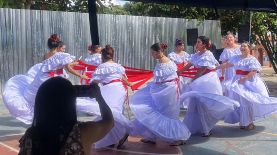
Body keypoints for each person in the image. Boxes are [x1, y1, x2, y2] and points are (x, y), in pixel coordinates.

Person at [3, 34, 88, 124]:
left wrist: (71, 64)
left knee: (42, 99)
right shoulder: (62, 55)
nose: (64, 50)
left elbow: (50, 66)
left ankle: (44, 118)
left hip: (43, 79)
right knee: (62, 98)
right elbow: (68, 69)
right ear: (58, 46)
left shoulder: (46, 55)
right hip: (55, 79)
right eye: (63, 48)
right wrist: (81, 76)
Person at [18, 77, 114, 155]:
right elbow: (109, 121)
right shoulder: (81, 132)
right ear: (69, 103)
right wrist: (99, 97)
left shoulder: (30, 136)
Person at [130, 43, 191, 146]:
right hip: (162, 91)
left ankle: (177, 138)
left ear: (159, 52)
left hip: (167, 92)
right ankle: (151, 136)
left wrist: (155, 87)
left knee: (168, 114)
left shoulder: (166, 63)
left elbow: (167, 79)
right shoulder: (162, 62)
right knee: (155, 111)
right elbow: (160, 79)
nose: (152, 55)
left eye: (153, 52)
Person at [178, 36, 239, 137]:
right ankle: (194, 126)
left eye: (198, 42)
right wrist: (179, 71)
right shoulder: (197, 54)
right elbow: (189, 64)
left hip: (207, 80)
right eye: (196, 42)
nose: (196, 44)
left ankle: (206, 128)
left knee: (204, 104)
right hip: (200, 80)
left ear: (204, 45)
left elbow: (202, 70)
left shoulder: (208, 54)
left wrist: (192, 80)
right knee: (195, 104)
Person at [219, 42, 277, 130]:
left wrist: (245, 78)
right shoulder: (235, 58)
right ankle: (243, 122)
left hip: (248, 82)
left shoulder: (252, 59)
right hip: (237, 82)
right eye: (241, 46)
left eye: (244, 46)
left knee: (246, 101)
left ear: (249, 48)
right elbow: (227, 64)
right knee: (240, 102)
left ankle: (248, 123)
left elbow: (254, 71)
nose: (242, 47)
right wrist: (216, 67)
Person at [83, 45, 131, 150]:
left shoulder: (102, 66)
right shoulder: (119, 66)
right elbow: (124, 79)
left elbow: (95, 81)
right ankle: (116, 136)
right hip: (120, 89)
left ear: (102, 57)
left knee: (108, 113)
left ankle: (122, 131)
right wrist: (130, 84)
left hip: (110, 89)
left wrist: (88, 86)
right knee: (115, 112)